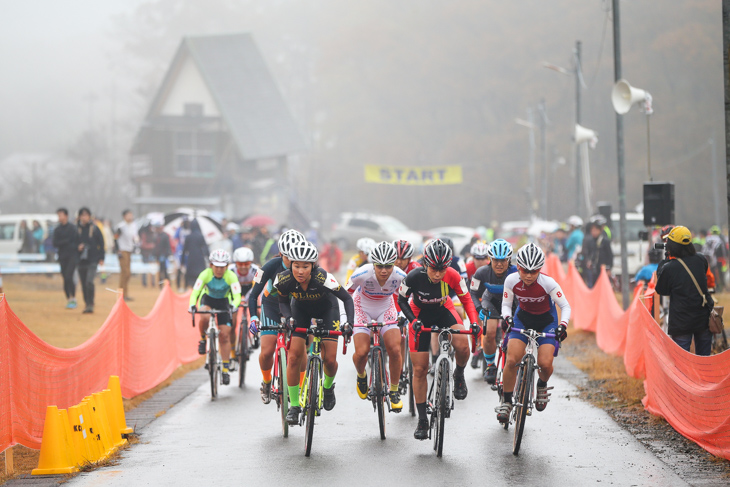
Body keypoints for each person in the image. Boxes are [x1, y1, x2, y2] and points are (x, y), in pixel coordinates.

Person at [397, 239, 479, 440]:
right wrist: (412, 320)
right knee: (419, 369)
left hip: (444, 310)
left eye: (443, 269)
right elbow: (401, 300)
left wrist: (475, 323)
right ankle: (423, 419)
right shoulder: (413, 276)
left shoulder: (452, 275)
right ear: (426, 263)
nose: (438, 273)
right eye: (434, 268)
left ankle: (459, 375)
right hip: (419, 313)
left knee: (462, 345)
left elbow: (467, 299)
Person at [274, 240, 355, 425]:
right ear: (290, 265)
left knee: (330, 359)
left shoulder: (323, 277)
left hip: (328, 310)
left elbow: (347, 298)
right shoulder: (283, 279)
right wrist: (287, 318)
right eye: (296, 266)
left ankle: (327, 387)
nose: (300, 271)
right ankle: (294, 406)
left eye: (305, 266)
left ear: (313, 265)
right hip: (300, 312)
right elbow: (282, 302)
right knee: (294, 357)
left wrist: (348, 323)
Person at [496, 243, 570, 424]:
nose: (528, 276)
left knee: (545, 363)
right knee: (512, 360)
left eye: (533, 272)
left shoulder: (548, 283)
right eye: (524, 271)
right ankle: (506, 402)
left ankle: (542, 384)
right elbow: (506, 305)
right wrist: (507, 318)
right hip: (522, 319)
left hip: (546, 322)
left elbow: (565, 306)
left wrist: (562, 325)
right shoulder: (511, 280)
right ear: (518, 267)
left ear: (539, 270)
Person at [346, 241, 407, 411]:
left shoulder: (400, 275)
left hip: (385, 308)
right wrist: (346, 320)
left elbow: (409, 298)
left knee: (395, 349)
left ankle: (394, 391)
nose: (384, 270)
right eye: (379, 266)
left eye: (388, 266)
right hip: (361, 308)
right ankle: (361, 375)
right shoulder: (362, 273)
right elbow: (344, 296)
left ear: (394, 263)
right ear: (373, 264)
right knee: (361, 352)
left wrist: (403, 316)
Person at [248, 229, 306, 404]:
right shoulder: (269, 266)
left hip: (295, 307)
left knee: (301, 350)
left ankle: (301, 387)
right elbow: (253, 295)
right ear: (281, 254)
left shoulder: (305, 266)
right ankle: (266, 382)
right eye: (289, 258)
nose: (293, 264)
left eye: (296, 258)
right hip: (272, 305)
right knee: (267, 350)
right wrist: (253, 317)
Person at [655, 226, 714, 356]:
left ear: (672, 246)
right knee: (704, 361)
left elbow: (661, 289)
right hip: (703, 318)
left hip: (682, 322)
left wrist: (665, 261)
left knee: (681, 363)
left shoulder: (670, 268)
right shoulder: (701, 259)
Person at [189, 249, 242, 385]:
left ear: (226, 266)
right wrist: (192, 305)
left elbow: (237, 296)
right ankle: (202, 339)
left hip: (224, 302)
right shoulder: (205, 274)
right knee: (205, 316)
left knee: (225, 335)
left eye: (222, 267)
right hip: (208, 300)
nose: (219, 270)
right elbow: (196, 292)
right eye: (216, 266)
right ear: (211, 265)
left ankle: (225, 369)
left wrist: (233, 305)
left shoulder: (231, 276)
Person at [469, 239, 517, 383]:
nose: (499, 264)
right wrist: (479, 308)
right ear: (490, 259)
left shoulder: (516, 273)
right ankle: (490, 365)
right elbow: (472, 293)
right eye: (496, 260)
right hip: (491, 302)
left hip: (512, 304)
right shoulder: (481, 272)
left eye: (503, 260)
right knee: (489, 332)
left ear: (509, 260)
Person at [228, 246, 258, 362]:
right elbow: (229, 288)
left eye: (247, 263)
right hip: (235, 291)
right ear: (236, 263)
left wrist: (249, 299)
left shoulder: (257, 270)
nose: (244, 267)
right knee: (232, 321)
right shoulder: (230, 270)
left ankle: (256, 335)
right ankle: (233, 352)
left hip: (251, 290)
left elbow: (257, 288)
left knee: (257, 309)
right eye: (240, 264)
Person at [76, 207, 105, 314]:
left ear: (89, 216)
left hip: (93, 259)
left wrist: (101, 258)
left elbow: (101, 244)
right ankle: (87, 303)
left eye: (86, 215)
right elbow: (72, 243)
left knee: (89, 281)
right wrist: (77, 247)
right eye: (82, 215)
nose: (84, 217)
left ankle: (91, 303)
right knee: (83, 283)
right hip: (80, 260)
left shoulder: (95, 229)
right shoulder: (76, 229)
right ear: (79, 217)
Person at [53, 208, 78, 308]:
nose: (59, 217)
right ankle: (68, 298)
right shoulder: (57, 229)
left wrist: (64, 242)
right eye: (58, 215)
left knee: (69, 276)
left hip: (72, 256)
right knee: (65, 277)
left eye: (61, 215)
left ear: (66, 216)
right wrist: (66, 242)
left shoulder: (72, 228)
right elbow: (55, 243)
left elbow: (75, 241)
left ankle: (73, 297)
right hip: (62, 256)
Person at [579, 219, 613, 288]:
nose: (593, 232)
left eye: (595, 230)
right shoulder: (590, 241)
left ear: (600, 230)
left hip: (603, 268)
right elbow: (589, 253)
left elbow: (610, 255)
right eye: (592, 230)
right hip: (594, 269)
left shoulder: (605, 241)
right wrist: (589, 261)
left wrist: (609, 268)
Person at [114, 209, 138, 301]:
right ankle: (121, 294)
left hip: (129, 250)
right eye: (128, 215)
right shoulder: (121, 227)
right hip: (122, 250)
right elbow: (115, 238)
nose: (130, 217)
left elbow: (135, 237)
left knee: (128, 274)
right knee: (125, 272)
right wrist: (117, 250)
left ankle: (125, 294)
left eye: (131, 215)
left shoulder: (134, 225)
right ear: (124, 216)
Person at [182, 219, 209, 289]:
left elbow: (184, 250)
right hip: (200, 258)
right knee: (200, 275)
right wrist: (208, 258)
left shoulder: (188, 237)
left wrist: (182, 262)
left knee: (190, 277)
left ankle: (187, 289)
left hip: (191, 259)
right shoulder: (201, 236)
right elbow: (206, 248)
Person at [702, 226, 727, 292]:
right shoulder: (719, 239)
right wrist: (725, 257)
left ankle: (711, 286)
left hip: (705, 255)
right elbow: (723, 250)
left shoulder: (707, 238)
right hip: (715, 256)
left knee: (708, 271)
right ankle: (719, 287)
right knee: (717, 272)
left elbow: (704, 247)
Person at [152, 222, 172, 286]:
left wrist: (168, 254)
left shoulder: (165, 236)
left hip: (164, 256)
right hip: (158, 256)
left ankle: (167, 284)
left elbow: (168, 246)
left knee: (164, 271)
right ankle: (161, 285)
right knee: (160, 271)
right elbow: (155, 246)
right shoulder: (156, 236)